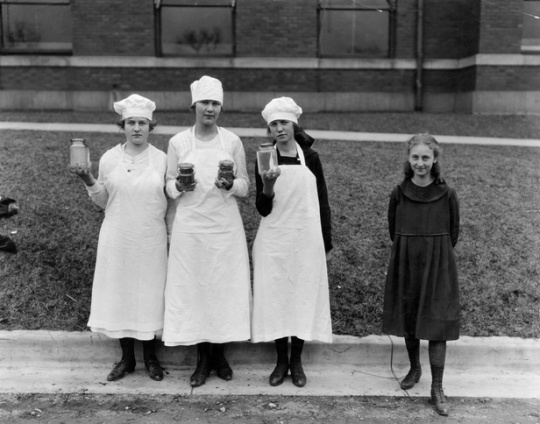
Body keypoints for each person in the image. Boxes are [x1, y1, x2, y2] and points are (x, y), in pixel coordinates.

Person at [70, 94, 168, 382]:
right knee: (122, 294)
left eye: (143, 123)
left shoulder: (161, 160)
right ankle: (127, 359)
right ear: (122, 126)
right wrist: (88, 179)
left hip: (151, 236)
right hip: (118, 235)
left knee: (148, 294)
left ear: (151, 127)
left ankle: (151, 358)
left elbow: (171, 201)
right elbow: (103, 201)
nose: (137, 128)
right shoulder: (110, 158)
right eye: (131, 123)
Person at [162, 76, 251, 388]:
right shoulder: (178, 143)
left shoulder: (232, 142)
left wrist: (230, 184)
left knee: (222, 289)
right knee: (196, 289)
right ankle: (203, 359)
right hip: (191, 227)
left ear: (221, 107)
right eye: (205, 103)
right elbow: (169, 184)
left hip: (224, 227)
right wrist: (178, 187)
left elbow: (245, 186)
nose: (210, 109)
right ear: (194, 106)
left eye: (215, 103)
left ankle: (220, 356)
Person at [251, 97, 333, 388]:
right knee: (277, 298)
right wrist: (269, 185)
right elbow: (262, 208)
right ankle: (280, 361)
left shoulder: (310, 157)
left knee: (301, 297)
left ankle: (296, 361)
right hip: (274, 240)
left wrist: (326, 243)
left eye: (283, 122)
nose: (279, 128)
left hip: (305, 239)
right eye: (273, 124)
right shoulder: (265, 158)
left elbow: (321, 202)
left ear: (294, 124)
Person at [382, 134, 460, 416]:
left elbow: (454, 232)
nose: (420, 163)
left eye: (426, 157)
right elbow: (393, 230)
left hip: (438, 263)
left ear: (435, 159)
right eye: (415, 157)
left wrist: (434, 251)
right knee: (410, 316)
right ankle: (414, 367)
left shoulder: (447, 193)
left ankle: (437, 387)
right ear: (408, 159)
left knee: (438, 322)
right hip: (407, 260)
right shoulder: (399, 192)